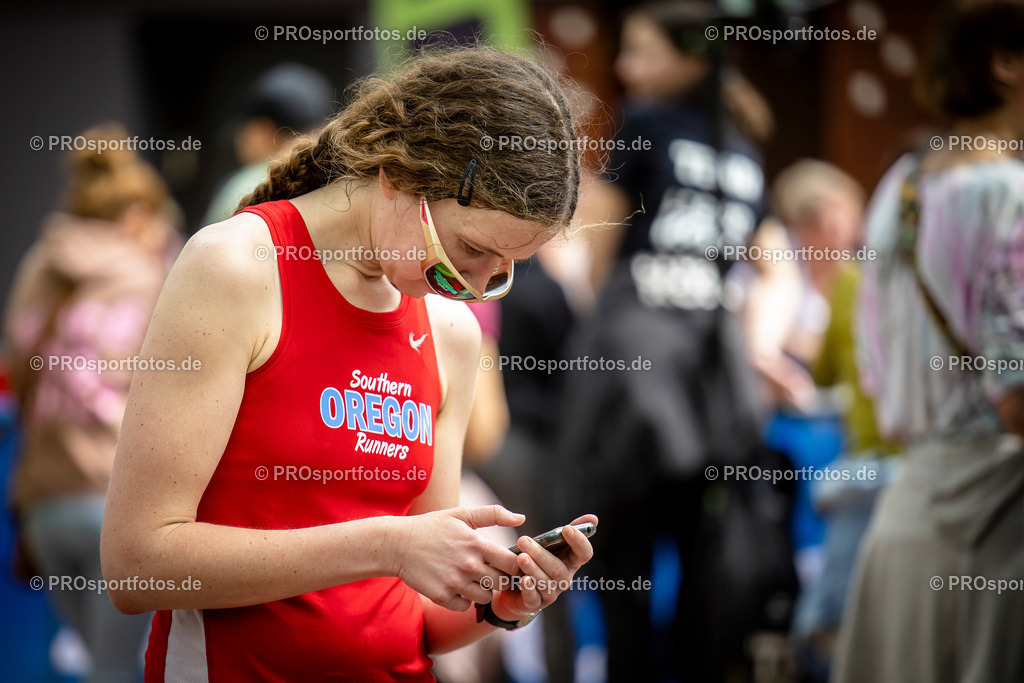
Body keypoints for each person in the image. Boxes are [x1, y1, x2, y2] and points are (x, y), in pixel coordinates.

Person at [99, 46, 597, 681]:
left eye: (503, 272)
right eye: (469, 250)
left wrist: (501, 605)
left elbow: (418, 611)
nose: (472, 289)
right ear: (398, 175)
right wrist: (384, 545)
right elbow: (137, 566)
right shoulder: (238, 267)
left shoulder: (450, 332)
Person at [552, 2, 796, 680]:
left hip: (634, 374)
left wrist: (603, 320)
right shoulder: (742, 150)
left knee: (620, 559)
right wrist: (756, 348)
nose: (626, 69)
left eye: (641, 52)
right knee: (704, 561)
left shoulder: (649, 126)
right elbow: (778, 270)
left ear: (692, 57)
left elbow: (595, 237)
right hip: (713, 384)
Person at [833, 2, 1024, 680]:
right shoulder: (1010, 192)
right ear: (1006, 64)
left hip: (911, 509)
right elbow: (1016, 399)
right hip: (998, 522)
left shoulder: (902, 184)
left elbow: (874, 362)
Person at [5, 122, 179, 682]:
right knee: (121, 668)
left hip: (44, 503)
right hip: (116, 498)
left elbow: (16, 367)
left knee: (99, 667)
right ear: (136, 216)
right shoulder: (147, 269)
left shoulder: (40, 264)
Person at [202, 62, 334, 225]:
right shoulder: (339, 179)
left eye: (244, 131)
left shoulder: (244, 187)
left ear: (262, 130)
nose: (238, 141)